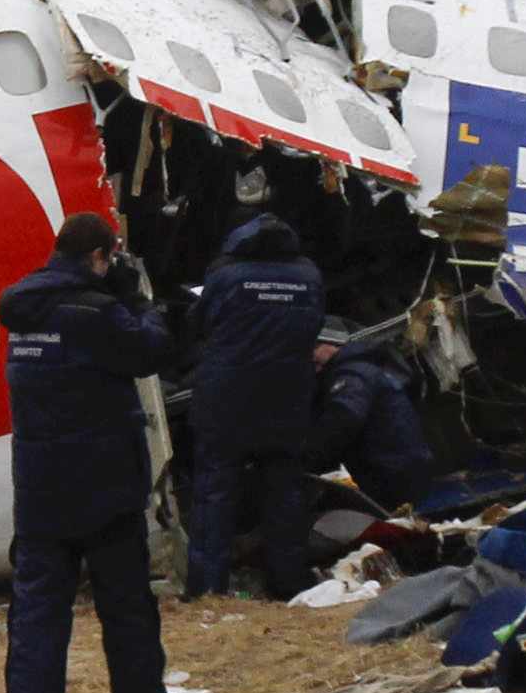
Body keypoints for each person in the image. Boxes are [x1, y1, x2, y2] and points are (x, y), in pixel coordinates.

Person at [0, 212, 174, 693]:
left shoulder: (24, 309)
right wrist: (137, 302)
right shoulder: (97, 313)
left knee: (38, 603)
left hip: (42, 482)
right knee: (125, 602)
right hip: (106, 479)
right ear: (98, 257)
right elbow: (151, 352)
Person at [184, 206, 325, 597]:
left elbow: (198, 323)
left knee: (215, 492)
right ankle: (288, 584)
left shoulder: (225, 276)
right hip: (286, 400)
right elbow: (314, 325)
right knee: (283, 493)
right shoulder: (309, 276)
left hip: (225, 401)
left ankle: (207, 587)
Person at [311, 327, 436, 513]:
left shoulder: (351, 374)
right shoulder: (364, 367)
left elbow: (344, 417)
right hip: (403, 467)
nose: (309, 355)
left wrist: (309, 456)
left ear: (334, 344)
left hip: (388, 474)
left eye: (315, 347)